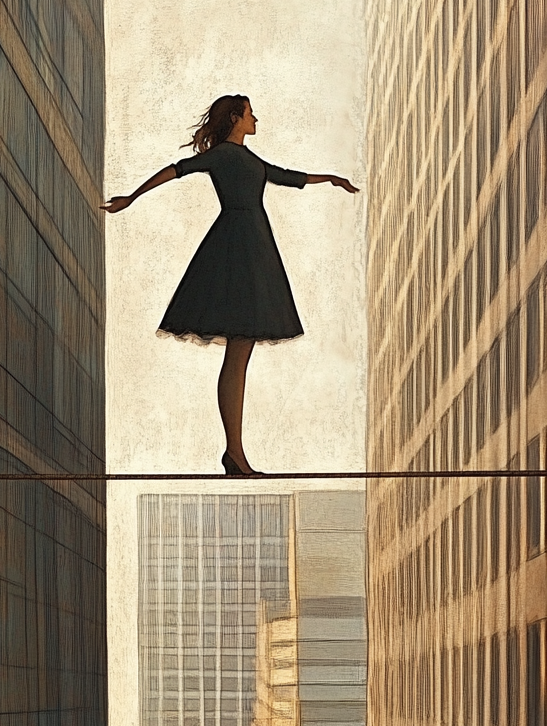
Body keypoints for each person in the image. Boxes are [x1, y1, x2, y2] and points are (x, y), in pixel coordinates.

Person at [101, 94, 358, 476]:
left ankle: (235, 452)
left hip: (254, 246)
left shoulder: (251, 160)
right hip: (236, 247)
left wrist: (331, 179)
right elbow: (177, 170)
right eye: (251, 113)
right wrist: (132, 198)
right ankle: (234, 452)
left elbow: (289, 176)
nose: (256, 118)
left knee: (241, 351)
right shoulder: (222, 155)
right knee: (238, 350)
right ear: (236, 118)